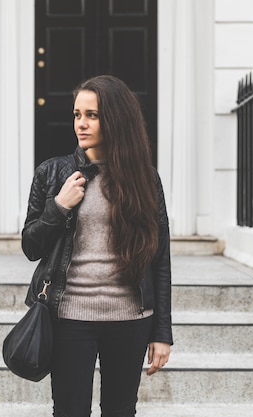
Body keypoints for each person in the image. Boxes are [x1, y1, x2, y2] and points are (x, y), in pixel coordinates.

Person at [21, 75, 172, 417]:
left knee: (120, 410)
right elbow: (31, 246)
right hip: (70, 315)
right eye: (77, 114)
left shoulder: (145, 180)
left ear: (116, 118)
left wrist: (162, 332)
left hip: (130, 318)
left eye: (92, 115)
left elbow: (159, 260)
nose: (81, 123)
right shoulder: (53, 173)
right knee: (70, 410)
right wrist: (58, 208)